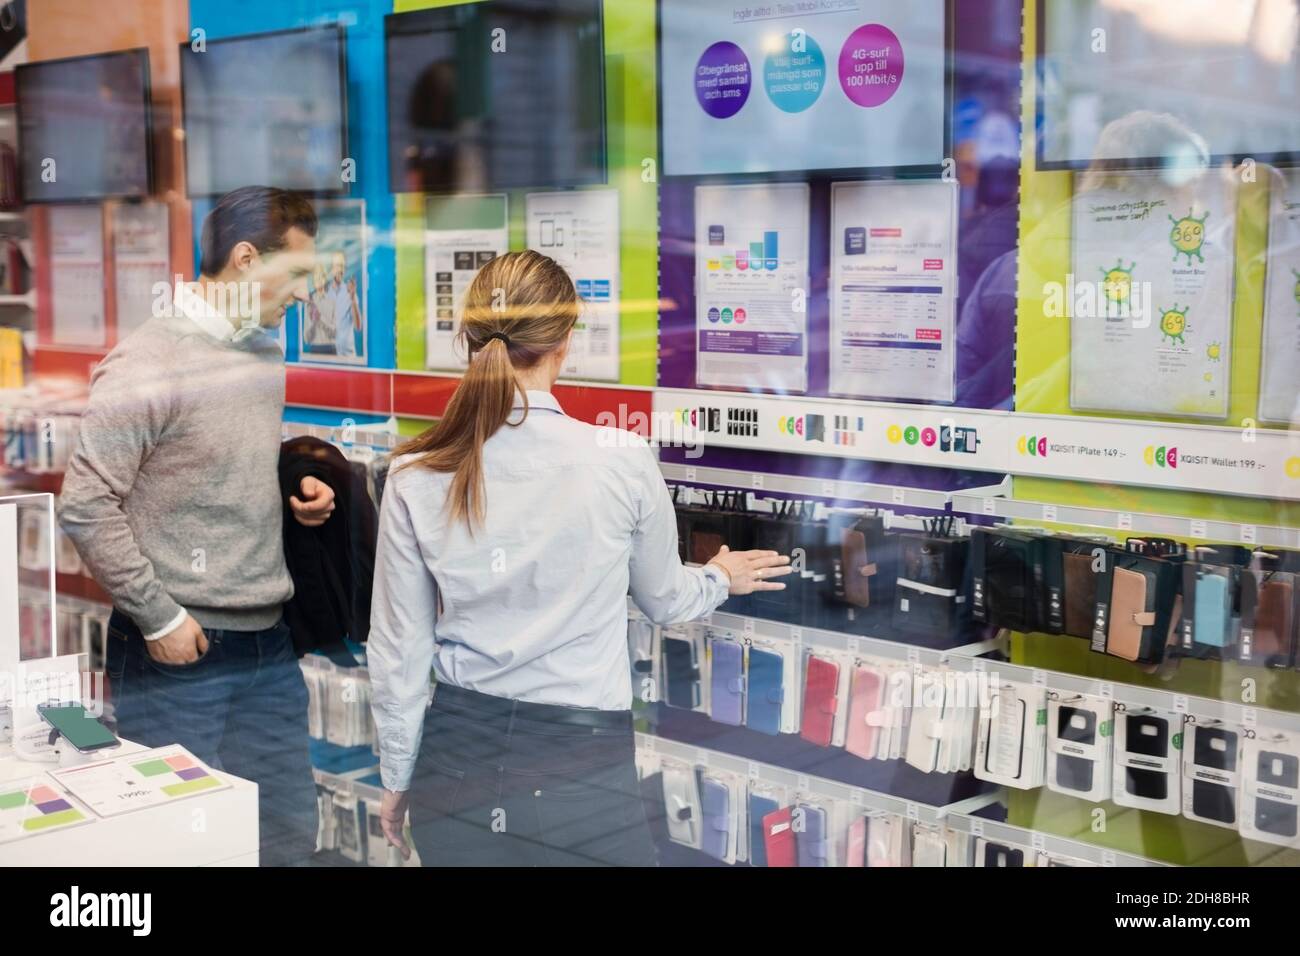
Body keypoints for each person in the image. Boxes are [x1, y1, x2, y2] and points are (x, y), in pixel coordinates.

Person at [368, 250, 791, 867]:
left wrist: (398, 776)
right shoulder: (618, 457)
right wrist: (719, 577)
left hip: (455, 756)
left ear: (469, 339)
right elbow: (665, 600)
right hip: (577, 764)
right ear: (566, 341)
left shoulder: (415, 472)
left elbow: (399, 648)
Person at [59, 186, 338, 867]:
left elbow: (208, 460)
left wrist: (291, 484)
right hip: (178, 651)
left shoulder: (261, 350)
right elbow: (85, 502)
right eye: (295, 275)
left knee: (287, 840)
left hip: (269, 644)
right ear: (246, 260)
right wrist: (157, 617)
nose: (303, 295)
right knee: (178, 849)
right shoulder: (147, 363)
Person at [327, 250, 362, 358]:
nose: (340, 269)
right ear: (331, 268)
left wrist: (352, 299)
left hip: (348, 357)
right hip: (329, 357)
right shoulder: (325, 294)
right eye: (337, 266)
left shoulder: (350, 292)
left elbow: (358, 326)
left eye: (342, 266)